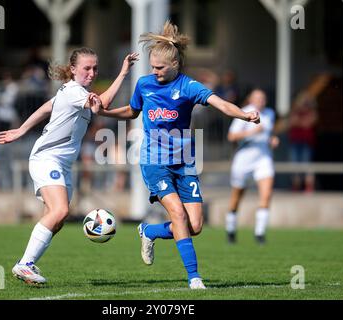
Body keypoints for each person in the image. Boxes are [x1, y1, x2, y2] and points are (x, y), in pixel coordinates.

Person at [97, 21, 259, 289]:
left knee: (195, 225)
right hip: (154, 162)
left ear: (175, 65)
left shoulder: (188, 86)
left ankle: (149, 231)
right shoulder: (145, 84)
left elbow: (219, 103)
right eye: (152, 66)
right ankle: (194, 278)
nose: (154, 71)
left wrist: (244, 114)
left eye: (160, 67)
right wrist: (106, 112)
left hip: (184, 163)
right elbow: (132, 111)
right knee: (179, 216)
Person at [0, 48, 138, 285]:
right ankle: (24, 264)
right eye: (87, 68)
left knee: (57, 219)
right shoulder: (74, 91)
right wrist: (123, 73)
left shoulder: (72, 91)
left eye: (95, 68)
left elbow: (46, 107)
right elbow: (101, 105)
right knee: (60, 211)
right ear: (73, 70)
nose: (92, 73)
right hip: (47, 158)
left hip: (60, 163)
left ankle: (28, 264)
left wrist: (21, 129)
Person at [225, 89, 279, 245]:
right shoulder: (244, 113)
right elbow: (231, 136)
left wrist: (272, 140)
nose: (260, 101)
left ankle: (260, 234)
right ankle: (231, 230)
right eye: (257, 98)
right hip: (244, 159)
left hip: (263, 158)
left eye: (263, 98)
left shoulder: (269, 113)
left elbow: (268, 134)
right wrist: (252, 132)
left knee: (266, 194)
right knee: (236, 197)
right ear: (251, 99)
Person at [288, 91, 319, 193]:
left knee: (307, 165)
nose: (304, 103)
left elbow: (309, 123)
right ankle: (296, 187)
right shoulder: (295, 111)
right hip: (295, 141)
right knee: (295, 165)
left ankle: (308, 188)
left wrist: (299, 121)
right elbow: (292, 121)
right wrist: (300, 119)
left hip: (307, 142)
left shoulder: (312, 111)